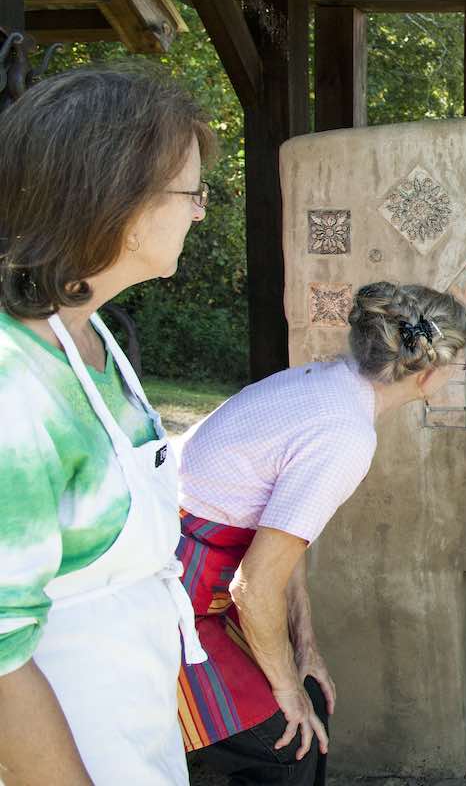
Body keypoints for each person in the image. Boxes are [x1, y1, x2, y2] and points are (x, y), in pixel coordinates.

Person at [0, 68, 215, 784]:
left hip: (128, 727)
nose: (200, 213)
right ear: (118, 202)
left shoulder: (91, 336)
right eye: (191, 193)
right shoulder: (14, 379)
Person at [175, 281, 466, 785]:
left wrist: (303, 644)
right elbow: (255, 583)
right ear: (433, 372)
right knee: (285, 744)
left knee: (309, 696)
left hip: (206, 579)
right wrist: (284, 689)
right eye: (462, 361)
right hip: (170, 596)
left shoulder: (329, 385)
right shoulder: (345, 433)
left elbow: (281, 543)